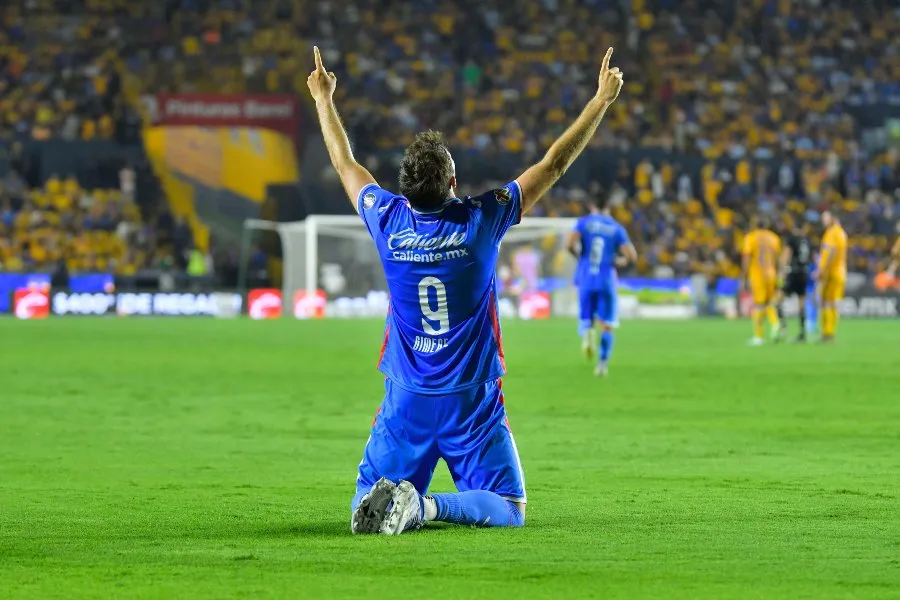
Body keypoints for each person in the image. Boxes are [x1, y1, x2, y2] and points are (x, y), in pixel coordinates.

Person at [307, 46, 623, 534]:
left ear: (403, 190)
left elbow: (345, 163)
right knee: (509, 507)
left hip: (406, 396)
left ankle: (390, 498)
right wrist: (600, 100)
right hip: (470, 400)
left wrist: (323, 99)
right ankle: (428, 506)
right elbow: (554, 164)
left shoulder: (386, 219)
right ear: (454, 181)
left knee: (362, 505)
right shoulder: (482, 220)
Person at [566, 196, 637, 376]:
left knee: (586, 317)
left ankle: (587, 332)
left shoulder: (583, 223)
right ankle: (602, 364)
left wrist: (580, 258)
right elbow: (631, 256)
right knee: (607, 325)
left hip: (586, 276)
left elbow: (569, 244)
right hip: (606, 278)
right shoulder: (616, 228)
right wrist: (619, 262)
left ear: (591, 205)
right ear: (609, 207)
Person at [741, 216, 782, 345]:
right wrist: (779, 274)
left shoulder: (750, 237)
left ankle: (758, 336)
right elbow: (777, 259)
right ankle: (775, 323)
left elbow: (747, 258)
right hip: (771, 273)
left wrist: (744, 276)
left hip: (758, 274)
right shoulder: (774, 238)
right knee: (769, 303)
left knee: (759, 305)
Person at [777, 222, 813, 342]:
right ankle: (802, 334)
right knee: (801, 303)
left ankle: (782, 328)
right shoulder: (806, 240)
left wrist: (782, 272)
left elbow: (785, 256)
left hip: (793, 273)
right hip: (804, 273)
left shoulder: (792, 239)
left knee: (777, 301)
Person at [817, 210, 848, 343]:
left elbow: (831, 252)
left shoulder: (832, 232)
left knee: (828, 303)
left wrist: (823, 270)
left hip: (832, 272)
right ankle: (827, 332)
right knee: (829, 303)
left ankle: (828, 333)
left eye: (826, 218)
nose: (823, 221)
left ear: (833, 218)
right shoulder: (841, 232)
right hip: (839, 271)